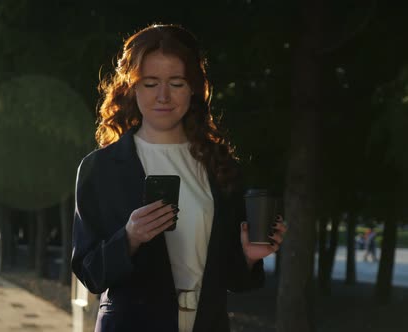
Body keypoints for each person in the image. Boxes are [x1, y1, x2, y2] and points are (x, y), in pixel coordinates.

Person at [71, 24, 287, 332]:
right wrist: (130, 237)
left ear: (194, 88)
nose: (163, 96)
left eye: (176, 83)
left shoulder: (220, 166)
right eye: (150, 83)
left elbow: (234, 279)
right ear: (131, 87)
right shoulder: (101, 168)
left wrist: (250, 257)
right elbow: (90, 273)